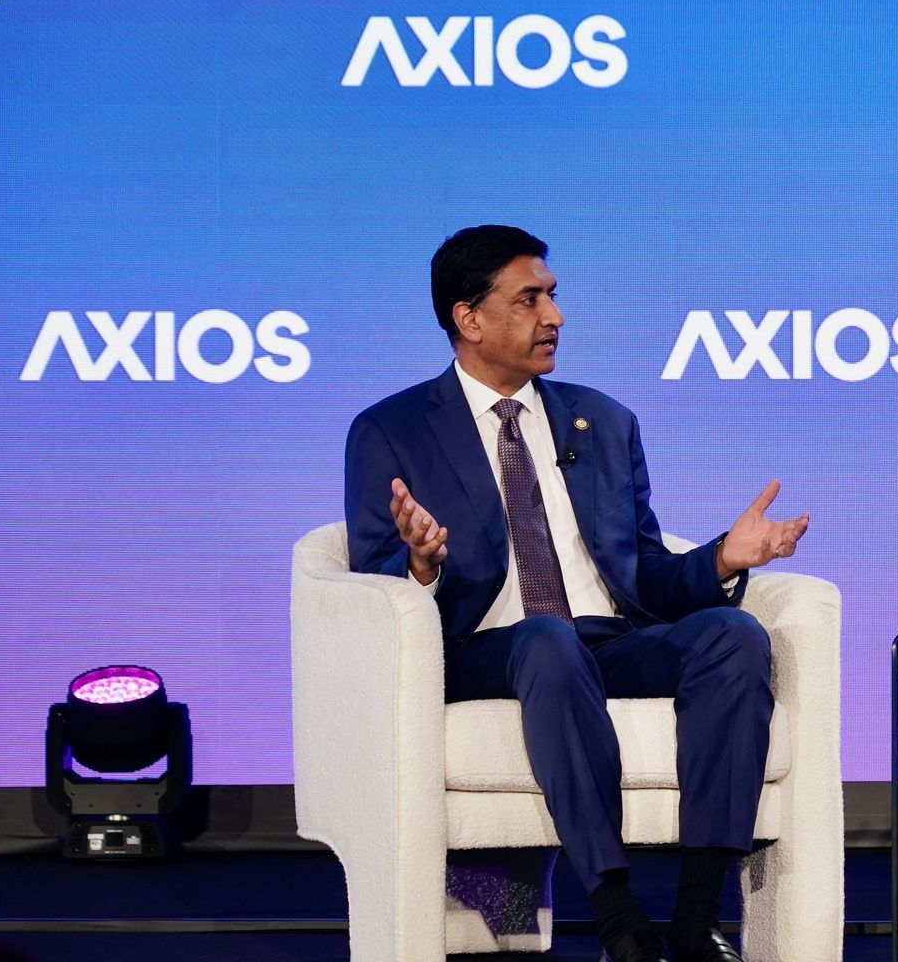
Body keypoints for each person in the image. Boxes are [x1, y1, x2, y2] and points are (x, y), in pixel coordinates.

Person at [344, 225, 809, 962]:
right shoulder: (392, 431)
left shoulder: (603, 421)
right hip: (483, 649)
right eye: (528, 299)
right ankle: (618, 911)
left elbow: (649, 577)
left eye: (553, 297)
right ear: (468, 318)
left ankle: (694, 918)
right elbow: (373, 592)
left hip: (608, 640)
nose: (554, 316)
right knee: (547, 639)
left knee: (734, 635)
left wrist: (723, 557)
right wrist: (423, 566)